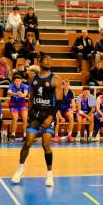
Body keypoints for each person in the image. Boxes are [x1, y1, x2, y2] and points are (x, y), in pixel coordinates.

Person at [11, 55, 63, 187]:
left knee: (46, 144)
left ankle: (50, 174)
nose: (49, 62)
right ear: (40, 63)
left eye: (50, 60)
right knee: (28, 141)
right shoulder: (33, 78)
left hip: (48, 115)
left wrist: (51, 117)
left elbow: (59, 101)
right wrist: (29, 113)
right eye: (46, 60)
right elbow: (31, 98)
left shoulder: (56, 79)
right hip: (35, 115)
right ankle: (20, 169)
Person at [8, 75, 29, 142]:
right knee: (15, 118)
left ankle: (25, 135)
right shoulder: (11, 86)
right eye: (16, 81)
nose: (17, 82)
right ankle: (13, 135)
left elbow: (26, 93)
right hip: (14, 105)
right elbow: (9, 92)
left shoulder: (24, 86)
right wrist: (16, 94)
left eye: (19, 81)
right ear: (14, 81)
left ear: (21, 81)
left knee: (25, 118)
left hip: (22, 104)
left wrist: (22, 95)